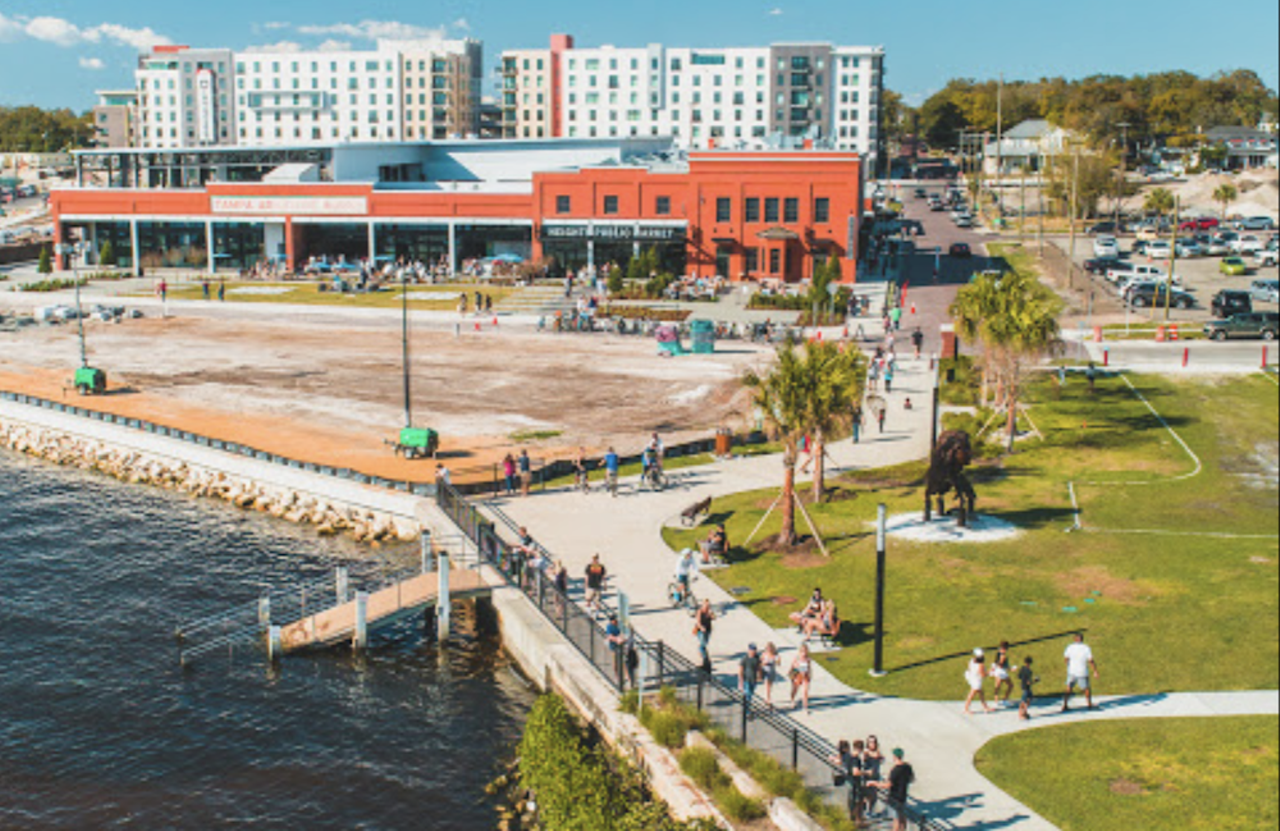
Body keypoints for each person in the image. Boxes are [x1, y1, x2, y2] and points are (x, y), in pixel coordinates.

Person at [869, 748, 915, 831]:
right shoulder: (907, 767)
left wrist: (874, 783)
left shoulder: (895, 770)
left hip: (894, 797)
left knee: (896, 819)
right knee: (902, 816)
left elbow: (887, 785)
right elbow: (912, 779)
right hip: (903, 795)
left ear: (894, 756)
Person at [1063, 632, 1099, 711]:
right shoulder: (1086, 648)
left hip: (1072, 671)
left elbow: (1066, 659)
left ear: (1075, 639)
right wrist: (1095, 671)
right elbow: (1091, 660)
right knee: (1086, 688)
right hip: (1082, 671)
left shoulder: (1070, 647)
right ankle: (1089, 704)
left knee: (1069, 687)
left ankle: (1065, 705)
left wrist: (1068, 666)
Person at [964, 648, 994, 714]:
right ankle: (966, 709)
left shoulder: (972, 660)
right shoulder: (981, 665)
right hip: (976, 681)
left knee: (981, 693)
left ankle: (985, 707)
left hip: (972, 677)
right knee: (972, 695)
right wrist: (990, 671)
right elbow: (983, 675)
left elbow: (969, 668)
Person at [862, 736, 886, 818]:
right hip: (868, 777)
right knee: (866, 795)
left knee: (874, 796)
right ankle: (863, 811)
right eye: (870, 742)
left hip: (875, 776)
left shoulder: (877, 752)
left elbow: (881, 758)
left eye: (874, 742)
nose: (872, 744)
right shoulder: (866, 751)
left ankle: (869, 811)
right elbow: (874, 756)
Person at [789, 643, 813, 714]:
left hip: (805, 676)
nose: (804, 653)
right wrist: (796, 668)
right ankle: (792, 700)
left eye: (805, 651)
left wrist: (809, 675)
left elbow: (809, 668)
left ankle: (805, 707)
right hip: (797, 676)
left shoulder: (808, 659)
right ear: (800, 652)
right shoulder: (797, 658)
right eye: (802, 651)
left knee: (805, 692)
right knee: (795, 690)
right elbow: (792, 668)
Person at [693, 598, 715, 673]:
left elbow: (714, 618)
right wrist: (701, 627)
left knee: (704, 644)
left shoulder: (709, 612)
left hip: (708, 630)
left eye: (708, 606)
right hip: (700, 631)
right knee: (703, 645)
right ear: (703, 605)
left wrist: (711, 614)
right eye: (705, 606)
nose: (707, 607)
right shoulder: (699, 612)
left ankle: (701, 651)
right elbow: (698, 622)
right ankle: (705, 658)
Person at [991, 641, 1013, 705]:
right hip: (1002, 672)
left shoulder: (998, 652)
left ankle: (996, 701)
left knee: (997, 687)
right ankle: (1004, 699)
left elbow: (997, 662)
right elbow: (1001, 664)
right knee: (1010, 685)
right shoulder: (1003, 655)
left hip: (997, 671)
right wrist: (1010, 668)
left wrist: (994, 667)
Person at [1018, 656, 1039, 721]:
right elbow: (1028, 682)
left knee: (1027, 699)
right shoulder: (1029, 671)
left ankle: (1023, 712)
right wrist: (1035, 681)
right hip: (1026, 687)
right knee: (1025, 701)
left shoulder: (1022, 668)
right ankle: (1023, 713)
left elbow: (1019, 676)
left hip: (1023, 685)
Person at [760, 642, 780, 709]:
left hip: (772, 672)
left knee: (770, 686)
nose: (768, 650)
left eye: (770, 649)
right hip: (765, 672)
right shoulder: (764, 654)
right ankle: (768, 700)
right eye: (767, 649)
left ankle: (767, 697)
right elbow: (760, 663)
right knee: (767, 686)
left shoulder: (775, 655)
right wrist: (764, 663)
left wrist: (776, 660)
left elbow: (778, 663)